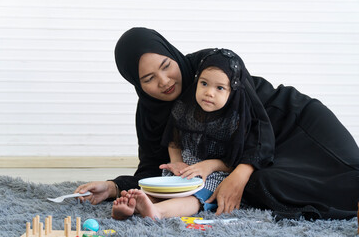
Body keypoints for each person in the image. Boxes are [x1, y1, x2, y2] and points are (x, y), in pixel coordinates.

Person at [75, 27, 359, 220]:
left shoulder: (210, 65)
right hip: (258, 157)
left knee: (350, 177)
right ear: (136, 84)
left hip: (291, 123)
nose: (164, 82)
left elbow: (258, 123)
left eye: (165, 66)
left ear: (172, 54)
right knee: (264, 187)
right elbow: (153, 167)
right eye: (148, 79)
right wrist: (113, 187)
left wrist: (239, 173)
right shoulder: (150, 113)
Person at [111, 48, 273, 220]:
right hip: (184, 171)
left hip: (214, 174)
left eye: (219, 88)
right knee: (164, 190)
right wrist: (177, 162)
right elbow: (174, 140)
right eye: (204, 84)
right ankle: (134, 206)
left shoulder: (235, 120)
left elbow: (237, 159)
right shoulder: (184, 108)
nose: (209, 92)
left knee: (194, 199)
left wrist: (210, 165)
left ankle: (158, 212)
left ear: (232, 91)